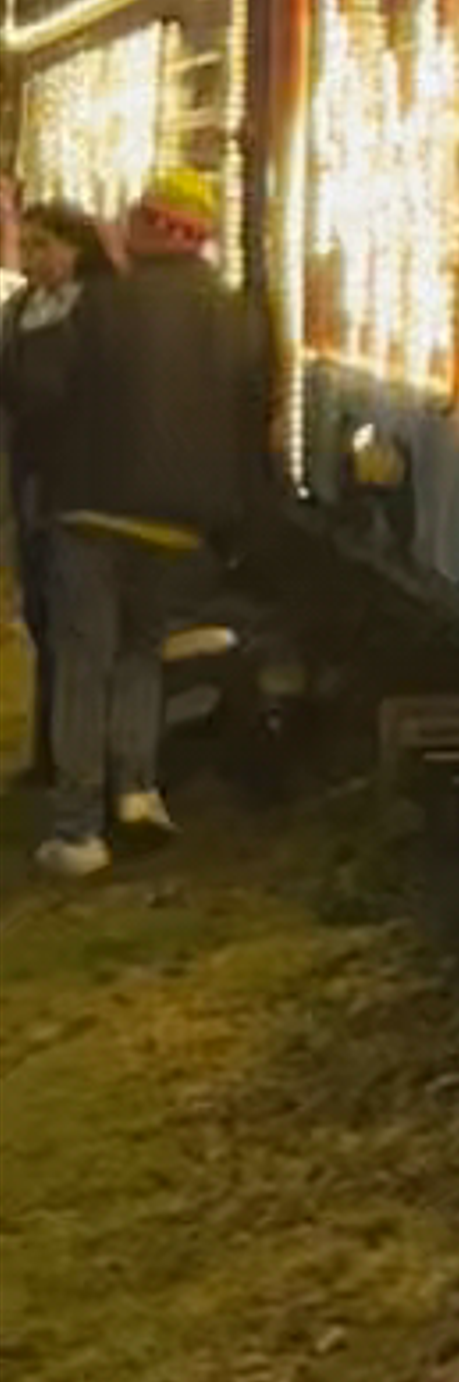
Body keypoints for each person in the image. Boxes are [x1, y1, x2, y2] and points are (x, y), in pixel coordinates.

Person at [34, 167, 275, 886]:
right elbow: (252, 414)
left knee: (84, 663)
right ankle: (136, 792)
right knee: (141, 652)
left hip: (90, 510)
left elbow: (40, 393)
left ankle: (78, 830)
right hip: (178, 521)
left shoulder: (98, 306)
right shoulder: (238, 314)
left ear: (149, 226)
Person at [4, 195, 105, 785]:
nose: (35, 257)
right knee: (40, 615)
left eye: (46, 245)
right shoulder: (22, 309)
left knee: (76, 625)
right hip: (31, 477)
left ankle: (73, 759)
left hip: (79, 482)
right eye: (29, 245)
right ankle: (45, 749)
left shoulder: (94, 314)